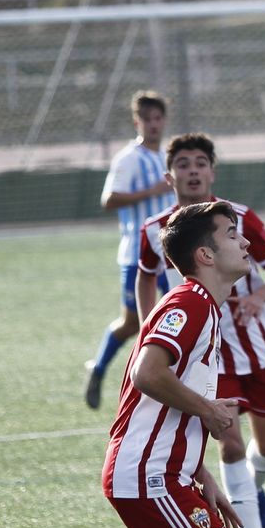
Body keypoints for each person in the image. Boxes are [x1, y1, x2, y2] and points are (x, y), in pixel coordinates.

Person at [102, 199, 254, 528]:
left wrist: (203, 474)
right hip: (149, 476)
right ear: (206, 254)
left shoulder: (205, 309)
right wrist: (212, 410)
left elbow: (161, 407)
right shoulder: (188, 305)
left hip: (168, 472)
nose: (247, 241)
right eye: (233, 234)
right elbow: (147, 374)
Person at [138, 134, 265, 528]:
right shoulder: (155, 229)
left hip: (256, 348)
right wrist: (153, 323)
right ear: (169, 175)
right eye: (183, 163)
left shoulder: (240, 218)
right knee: (229, 441)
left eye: (201, 163)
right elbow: (145, 279)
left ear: (212, 172)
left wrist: (259, 297)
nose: (193, 170)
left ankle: (253, 489)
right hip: (207, 356)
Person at [86, 90, 176, 410]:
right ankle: (98, 368)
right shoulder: (128, 158)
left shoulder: (169, 155)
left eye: (158, 118)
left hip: (171, 257)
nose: (153, 125)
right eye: (147, 119)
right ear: (136, 122)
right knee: (133, 324)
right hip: (136, 255)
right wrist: (151, 191)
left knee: (178, 320)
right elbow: (108, 200)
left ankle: (174, 391)